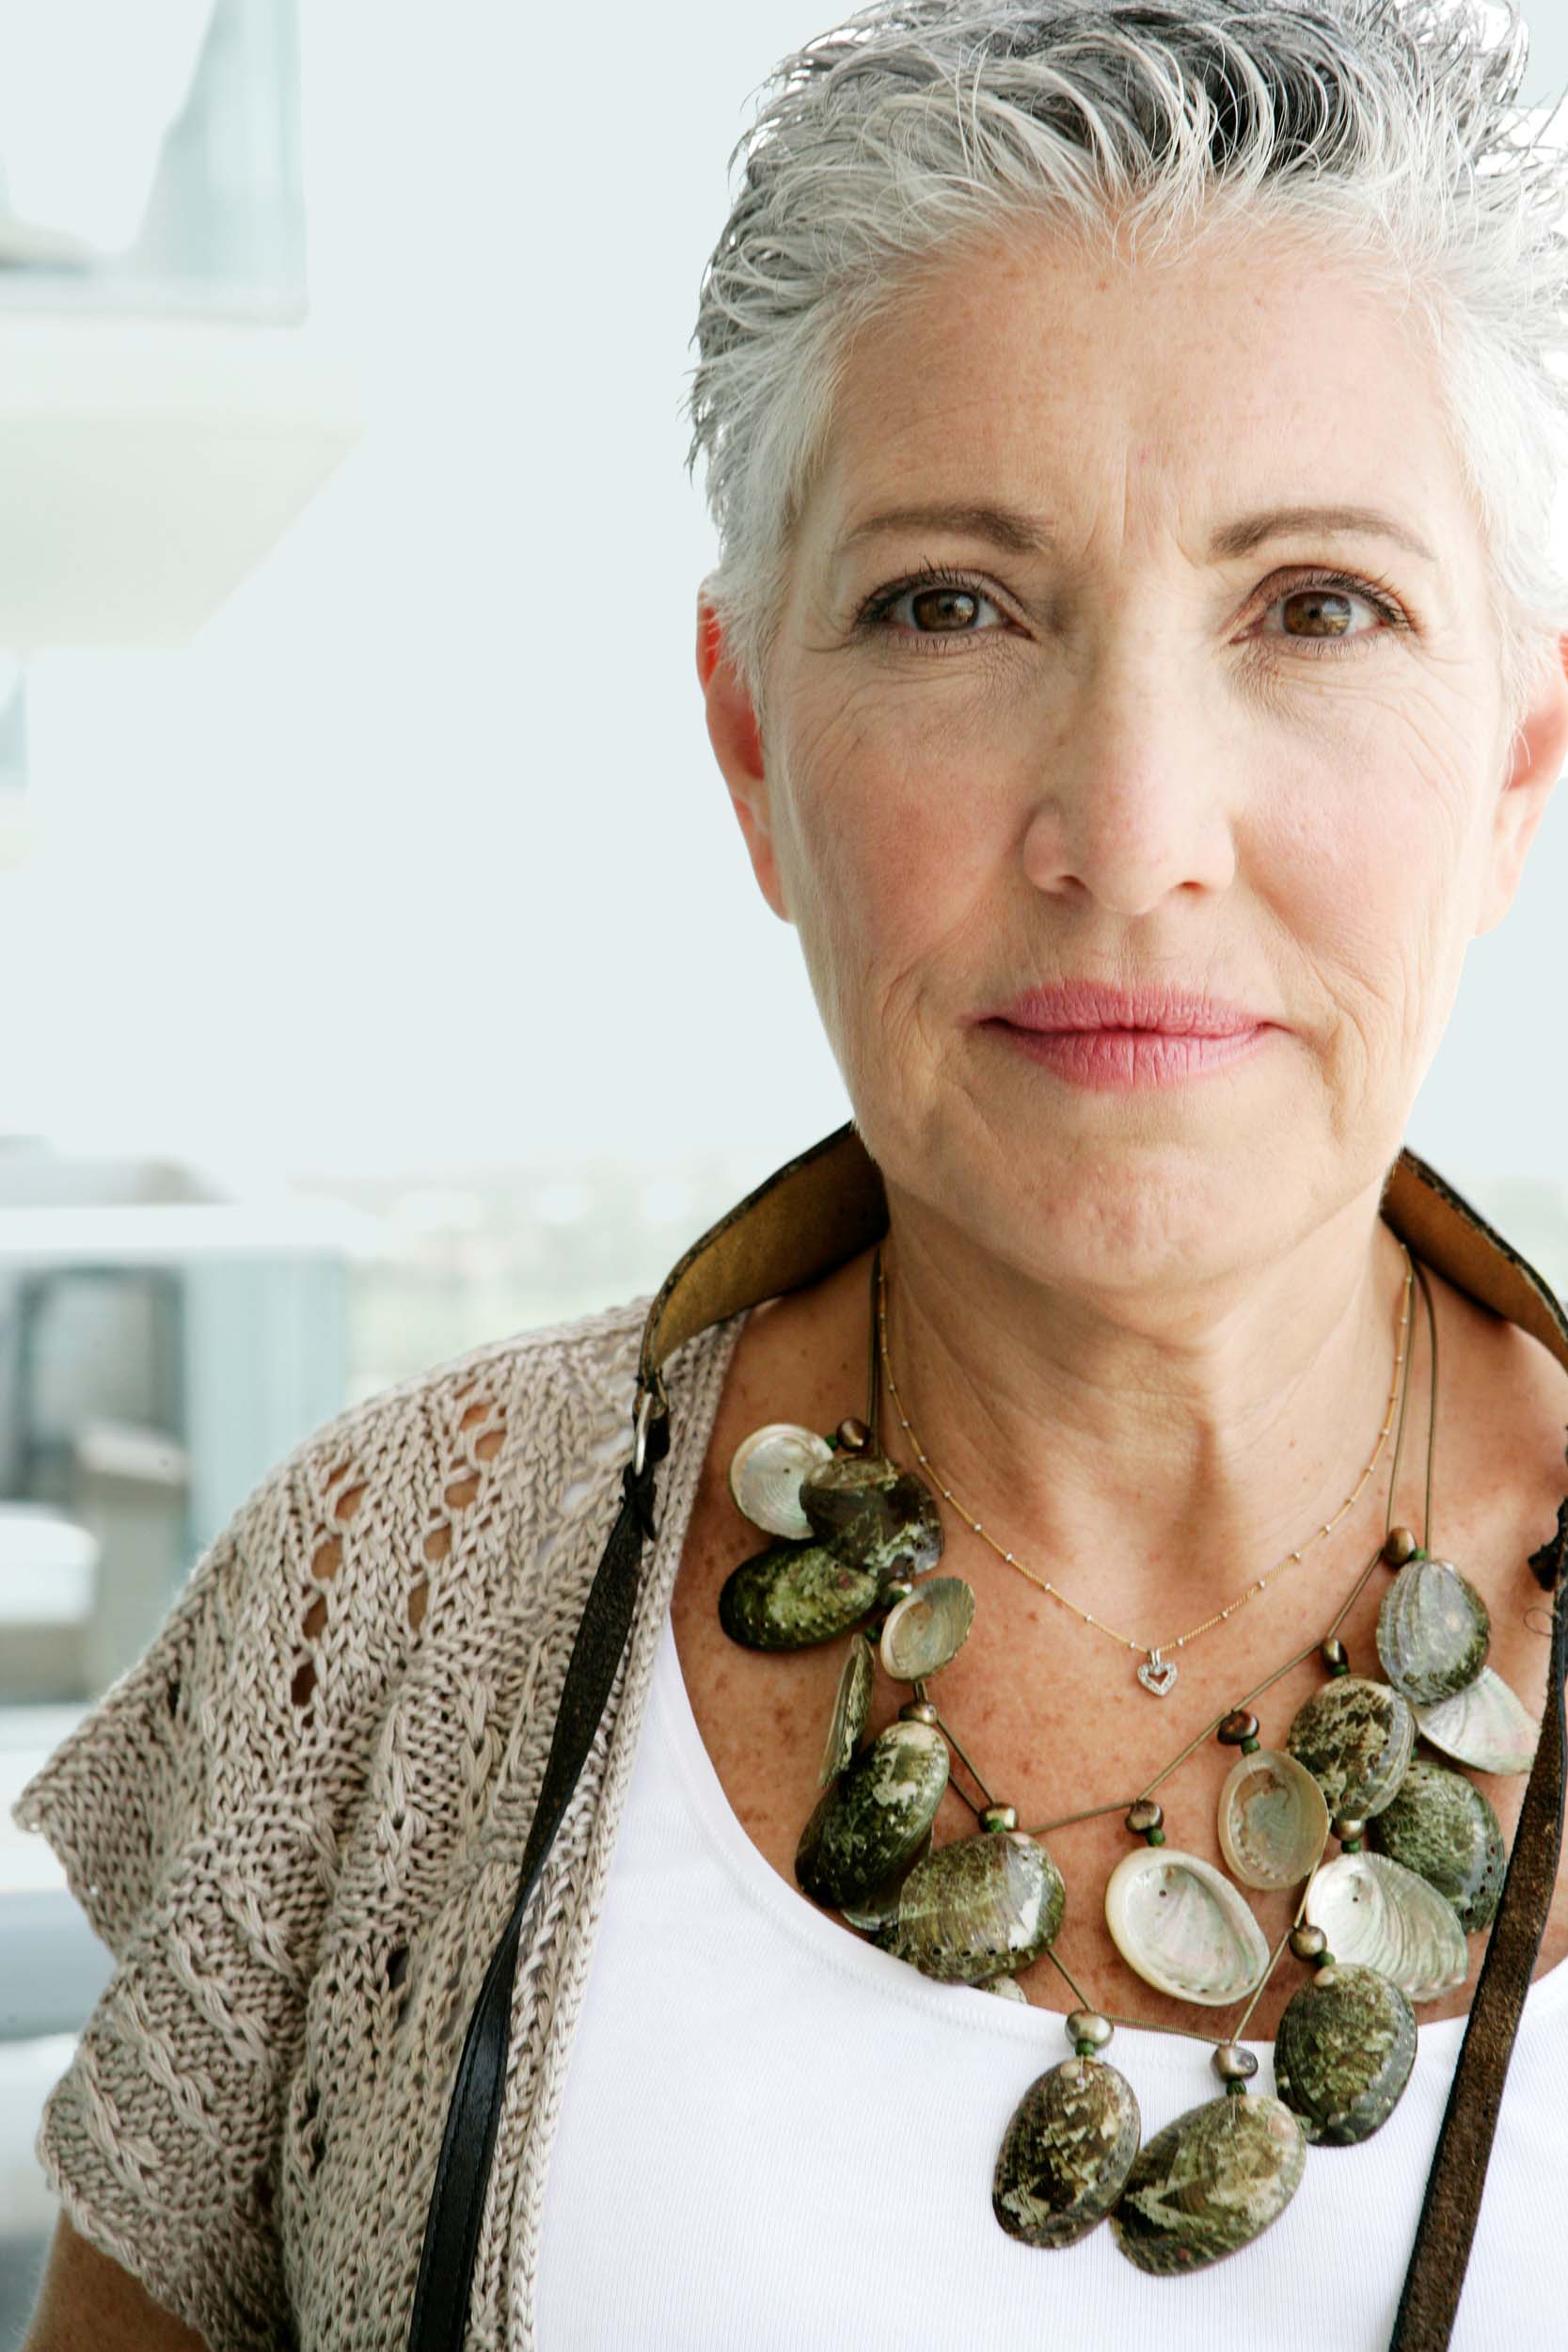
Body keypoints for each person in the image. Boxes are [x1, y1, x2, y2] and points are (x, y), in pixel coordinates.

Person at [15, 2, 1568, 2347]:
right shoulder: (393, 1594)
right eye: (953, 603)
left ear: (1521, 767)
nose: (1133, 834)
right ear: (752, 747)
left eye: (1317, 606)